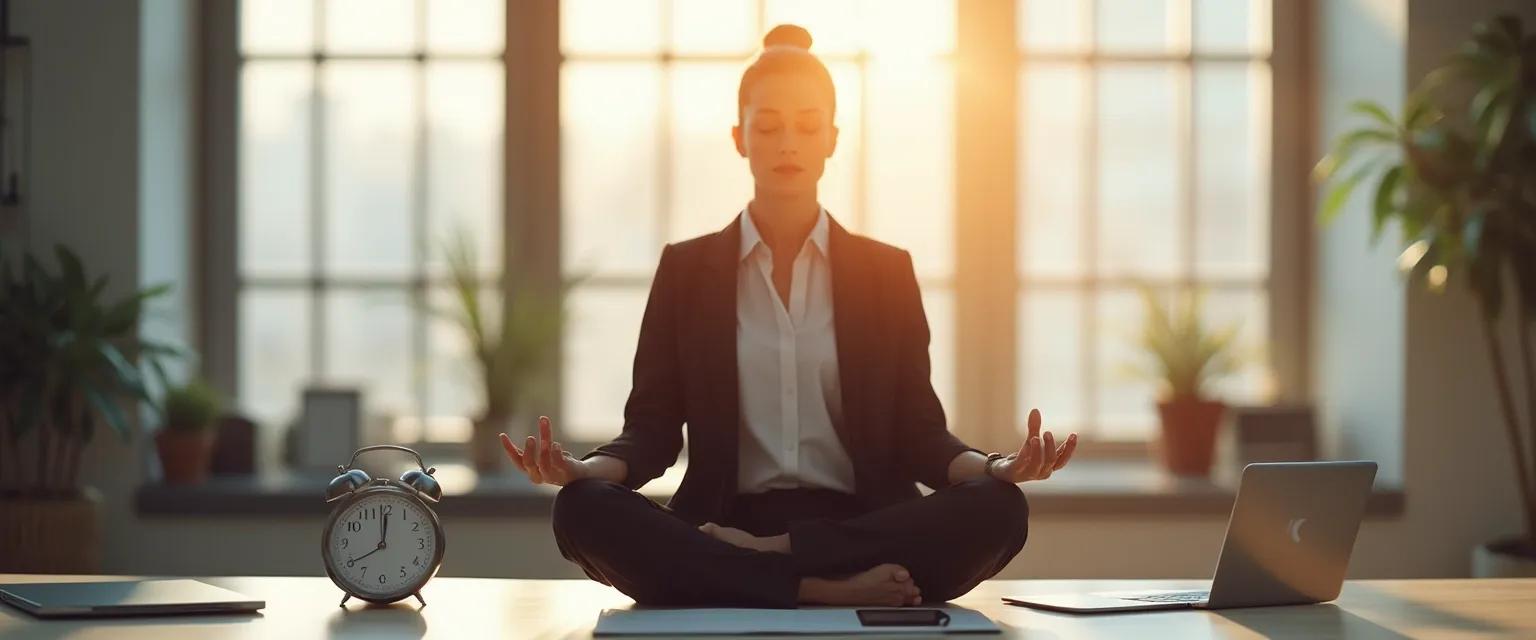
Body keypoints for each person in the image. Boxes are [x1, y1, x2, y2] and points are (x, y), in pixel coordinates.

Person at [500, 24, 1078, 609]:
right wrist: (585, 469)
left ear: (832, 138)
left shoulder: (886, 271)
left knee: (1001, 509)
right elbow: (650, 432)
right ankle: (817, 587)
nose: (787, 145)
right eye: (768, 126)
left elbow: (918, 433)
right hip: (727, 518)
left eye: (807, 126)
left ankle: (772, 562)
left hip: (864, 521)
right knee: (581, 510)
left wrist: (997, 466)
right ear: (739, 137)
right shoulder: (687, 269)